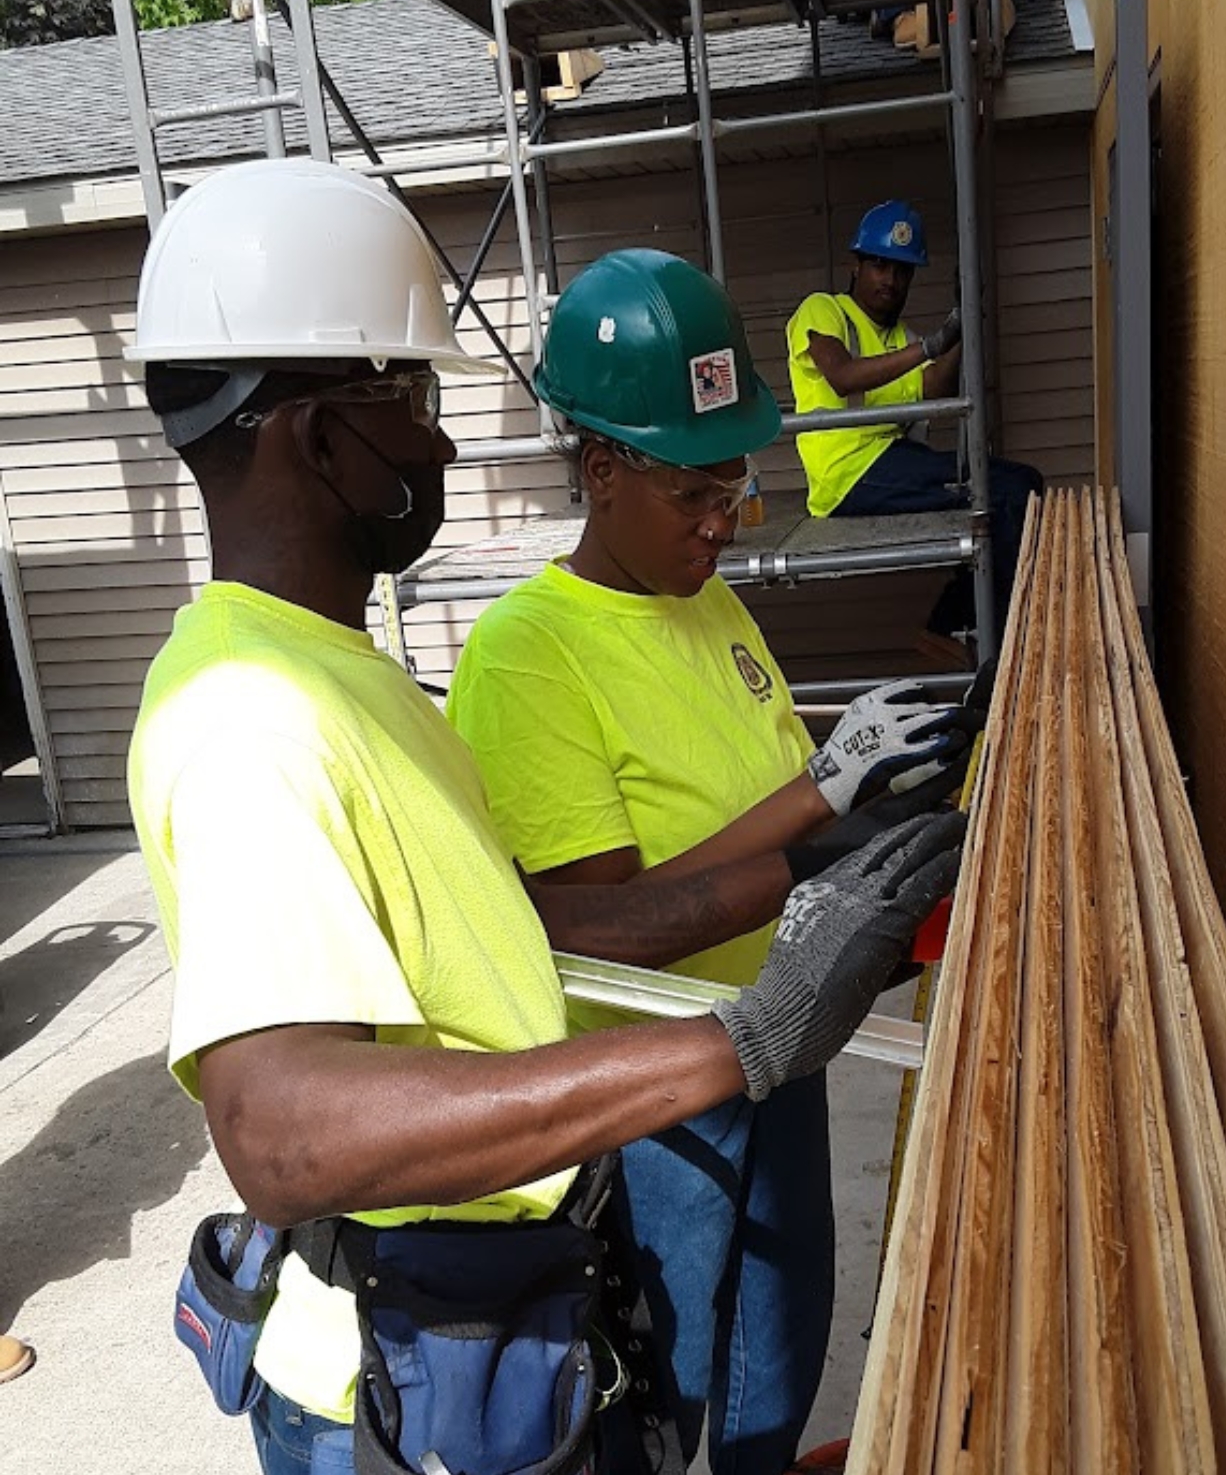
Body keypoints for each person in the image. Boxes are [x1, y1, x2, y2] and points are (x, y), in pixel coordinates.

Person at [124, 159, 966, 1475]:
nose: (442, 440)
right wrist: (737, 1040)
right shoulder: (246, 715)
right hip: (398, 1385)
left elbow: (524, 942)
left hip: (504, 1301)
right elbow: (284, 1132)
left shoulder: (351, 680)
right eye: (406, 396)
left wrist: (824, 857)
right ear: (309, 435)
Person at [445, 247, 984, 1475]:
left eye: (735, 491)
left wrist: (856, 787)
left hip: (782, 1028)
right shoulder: (533, 657)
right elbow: (608, 918)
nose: (721, 524)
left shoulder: (709, 600)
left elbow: (778, 784)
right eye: (695, 491)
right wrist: (822, 806)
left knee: (776, 1360)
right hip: (662, 1093)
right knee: (673, 1395)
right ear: (601, 469)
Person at [785, 199, 1043, 608]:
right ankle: (987, 625)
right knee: (1011, 488)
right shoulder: (825, 309)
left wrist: (962, 325)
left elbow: (935, 389)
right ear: (856, 265)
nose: (891, 279)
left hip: (890, 460)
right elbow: (842, 375)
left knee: (1017, 485)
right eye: (880, 265)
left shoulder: (900, 338)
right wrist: (929, 346)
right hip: (846, 475)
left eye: (903, 270)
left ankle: (957, 624)